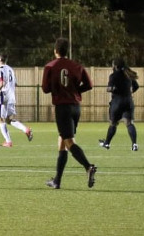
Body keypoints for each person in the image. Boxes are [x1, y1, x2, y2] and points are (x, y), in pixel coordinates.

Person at [41, 37, 97, 189]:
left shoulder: (50, 66)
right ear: (67, 51)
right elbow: (89, 84)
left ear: (55, 50)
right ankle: (57, 181)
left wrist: (57, 89)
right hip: (75, 107)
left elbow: (45, 89)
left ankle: (88, 167)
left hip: (63, 107)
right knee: (63, 141)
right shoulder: (76, 66)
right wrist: (76, 90)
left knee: (68, 141)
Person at [0, 52, 31, 147]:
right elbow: (15, 83)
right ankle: (26, 129)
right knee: (8, 119)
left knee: (0, 118)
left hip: (3, 96)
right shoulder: (10, 69)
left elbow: (1, 83)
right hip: (11, 96)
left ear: (0, 59)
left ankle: (8, 141)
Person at [99, 57, 139, 151]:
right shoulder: (128, 74)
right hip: (128, 101)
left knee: (113, 123)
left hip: (117, 102)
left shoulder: (113, 76)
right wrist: (129, 92)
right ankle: (134, 144)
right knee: (129, 123)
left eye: (112, 65)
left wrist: (111, 89)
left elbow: (109, 88)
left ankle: (107, 143)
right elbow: (136, 86)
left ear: (115, 66)